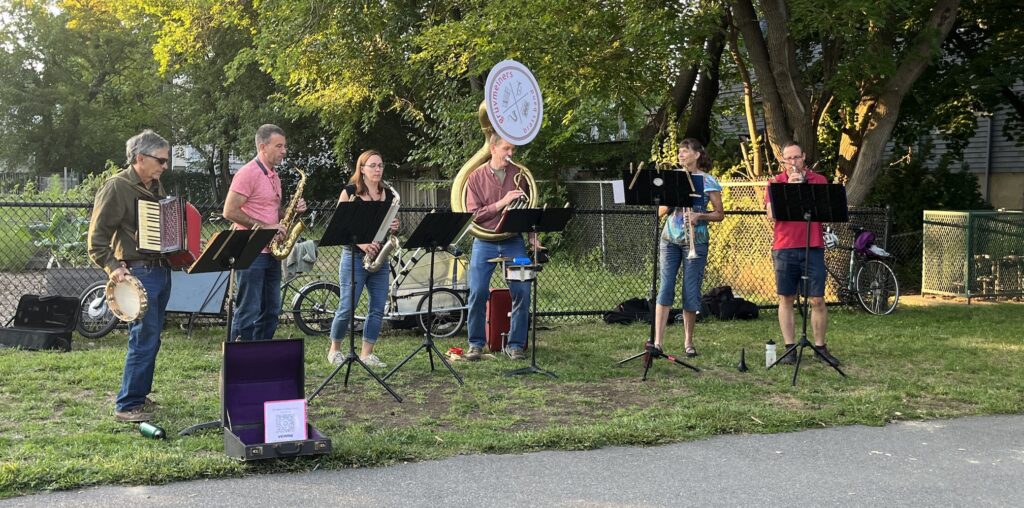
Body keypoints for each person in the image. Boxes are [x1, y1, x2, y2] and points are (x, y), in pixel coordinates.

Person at [87, 129, 173, 422]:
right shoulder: (117, 187)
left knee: (152, 337)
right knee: (143, 338)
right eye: (160, 160)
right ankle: (127, 405)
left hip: (160, 270)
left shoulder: (155, 188)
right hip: (137, 272)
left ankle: (138, 393)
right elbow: (97, 239)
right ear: (140, 158)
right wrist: (114, 268)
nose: (165, 166)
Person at [223, 124, 305, 341]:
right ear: (262, 146)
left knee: (271, 311)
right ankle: (238, 360)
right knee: (248, 309)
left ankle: (259, 356)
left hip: (272, 252)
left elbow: (272, 212)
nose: (284, 151)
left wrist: (290, 211)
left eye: (284, 146)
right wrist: (265, 228)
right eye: (279, 146)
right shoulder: (248, 173)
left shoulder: (274, 176)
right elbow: (229, 211)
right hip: (252, 251)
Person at [463, 133, 541, 361]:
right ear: (492, 148)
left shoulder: (520, 175)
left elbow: (527, 208)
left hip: (513, 241)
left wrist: (532, 237)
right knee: (477, 292)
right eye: (506, 149)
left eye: (512, 150)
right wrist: (502, 202)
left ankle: (516, 344)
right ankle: (475, 344)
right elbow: (473, 215)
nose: (510, 154)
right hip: (484, 241)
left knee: (523, 291)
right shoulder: (475, 177)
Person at [765, 141, 840, 365]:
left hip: (813, 245)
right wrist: (790, 188)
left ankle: (820, 347)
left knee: (817, 299)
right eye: (788, 159)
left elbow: (827, 211)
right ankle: (790, 348)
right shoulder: (776, 182)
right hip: (785, 246)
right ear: (783, 161)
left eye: (796, 157)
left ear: (804, 156)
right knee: (786, 297)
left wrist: (804, 189)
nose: (792, 163)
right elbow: (772, 214)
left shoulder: (818, 180)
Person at [652, 139, 724, 357]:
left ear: (697, 155)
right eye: (679, 152)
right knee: (665, 288)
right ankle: (657, 342)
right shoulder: (673, 178)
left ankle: (688, 342)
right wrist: (672, 199)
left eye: (685, 151)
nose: (681, 155)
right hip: (670, 240)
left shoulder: (708, 180)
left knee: (690, 291)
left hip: (696, 241)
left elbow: (720, 214)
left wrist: (699, 215)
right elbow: (660, 212)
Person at [327, 150, 399, 369]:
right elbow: (341, 227)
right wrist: (363, 245)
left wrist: (394, 227)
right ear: (362, 169)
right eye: (373, 165)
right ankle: (335, 350)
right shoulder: (350, 192)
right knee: (347, 306)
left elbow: (387, 227)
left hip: (379, 258)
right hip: (355, 256)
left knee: (377, 308)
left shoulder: (388, 194)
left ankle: (367, 354)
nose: (378, 169)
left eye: (380, 165)